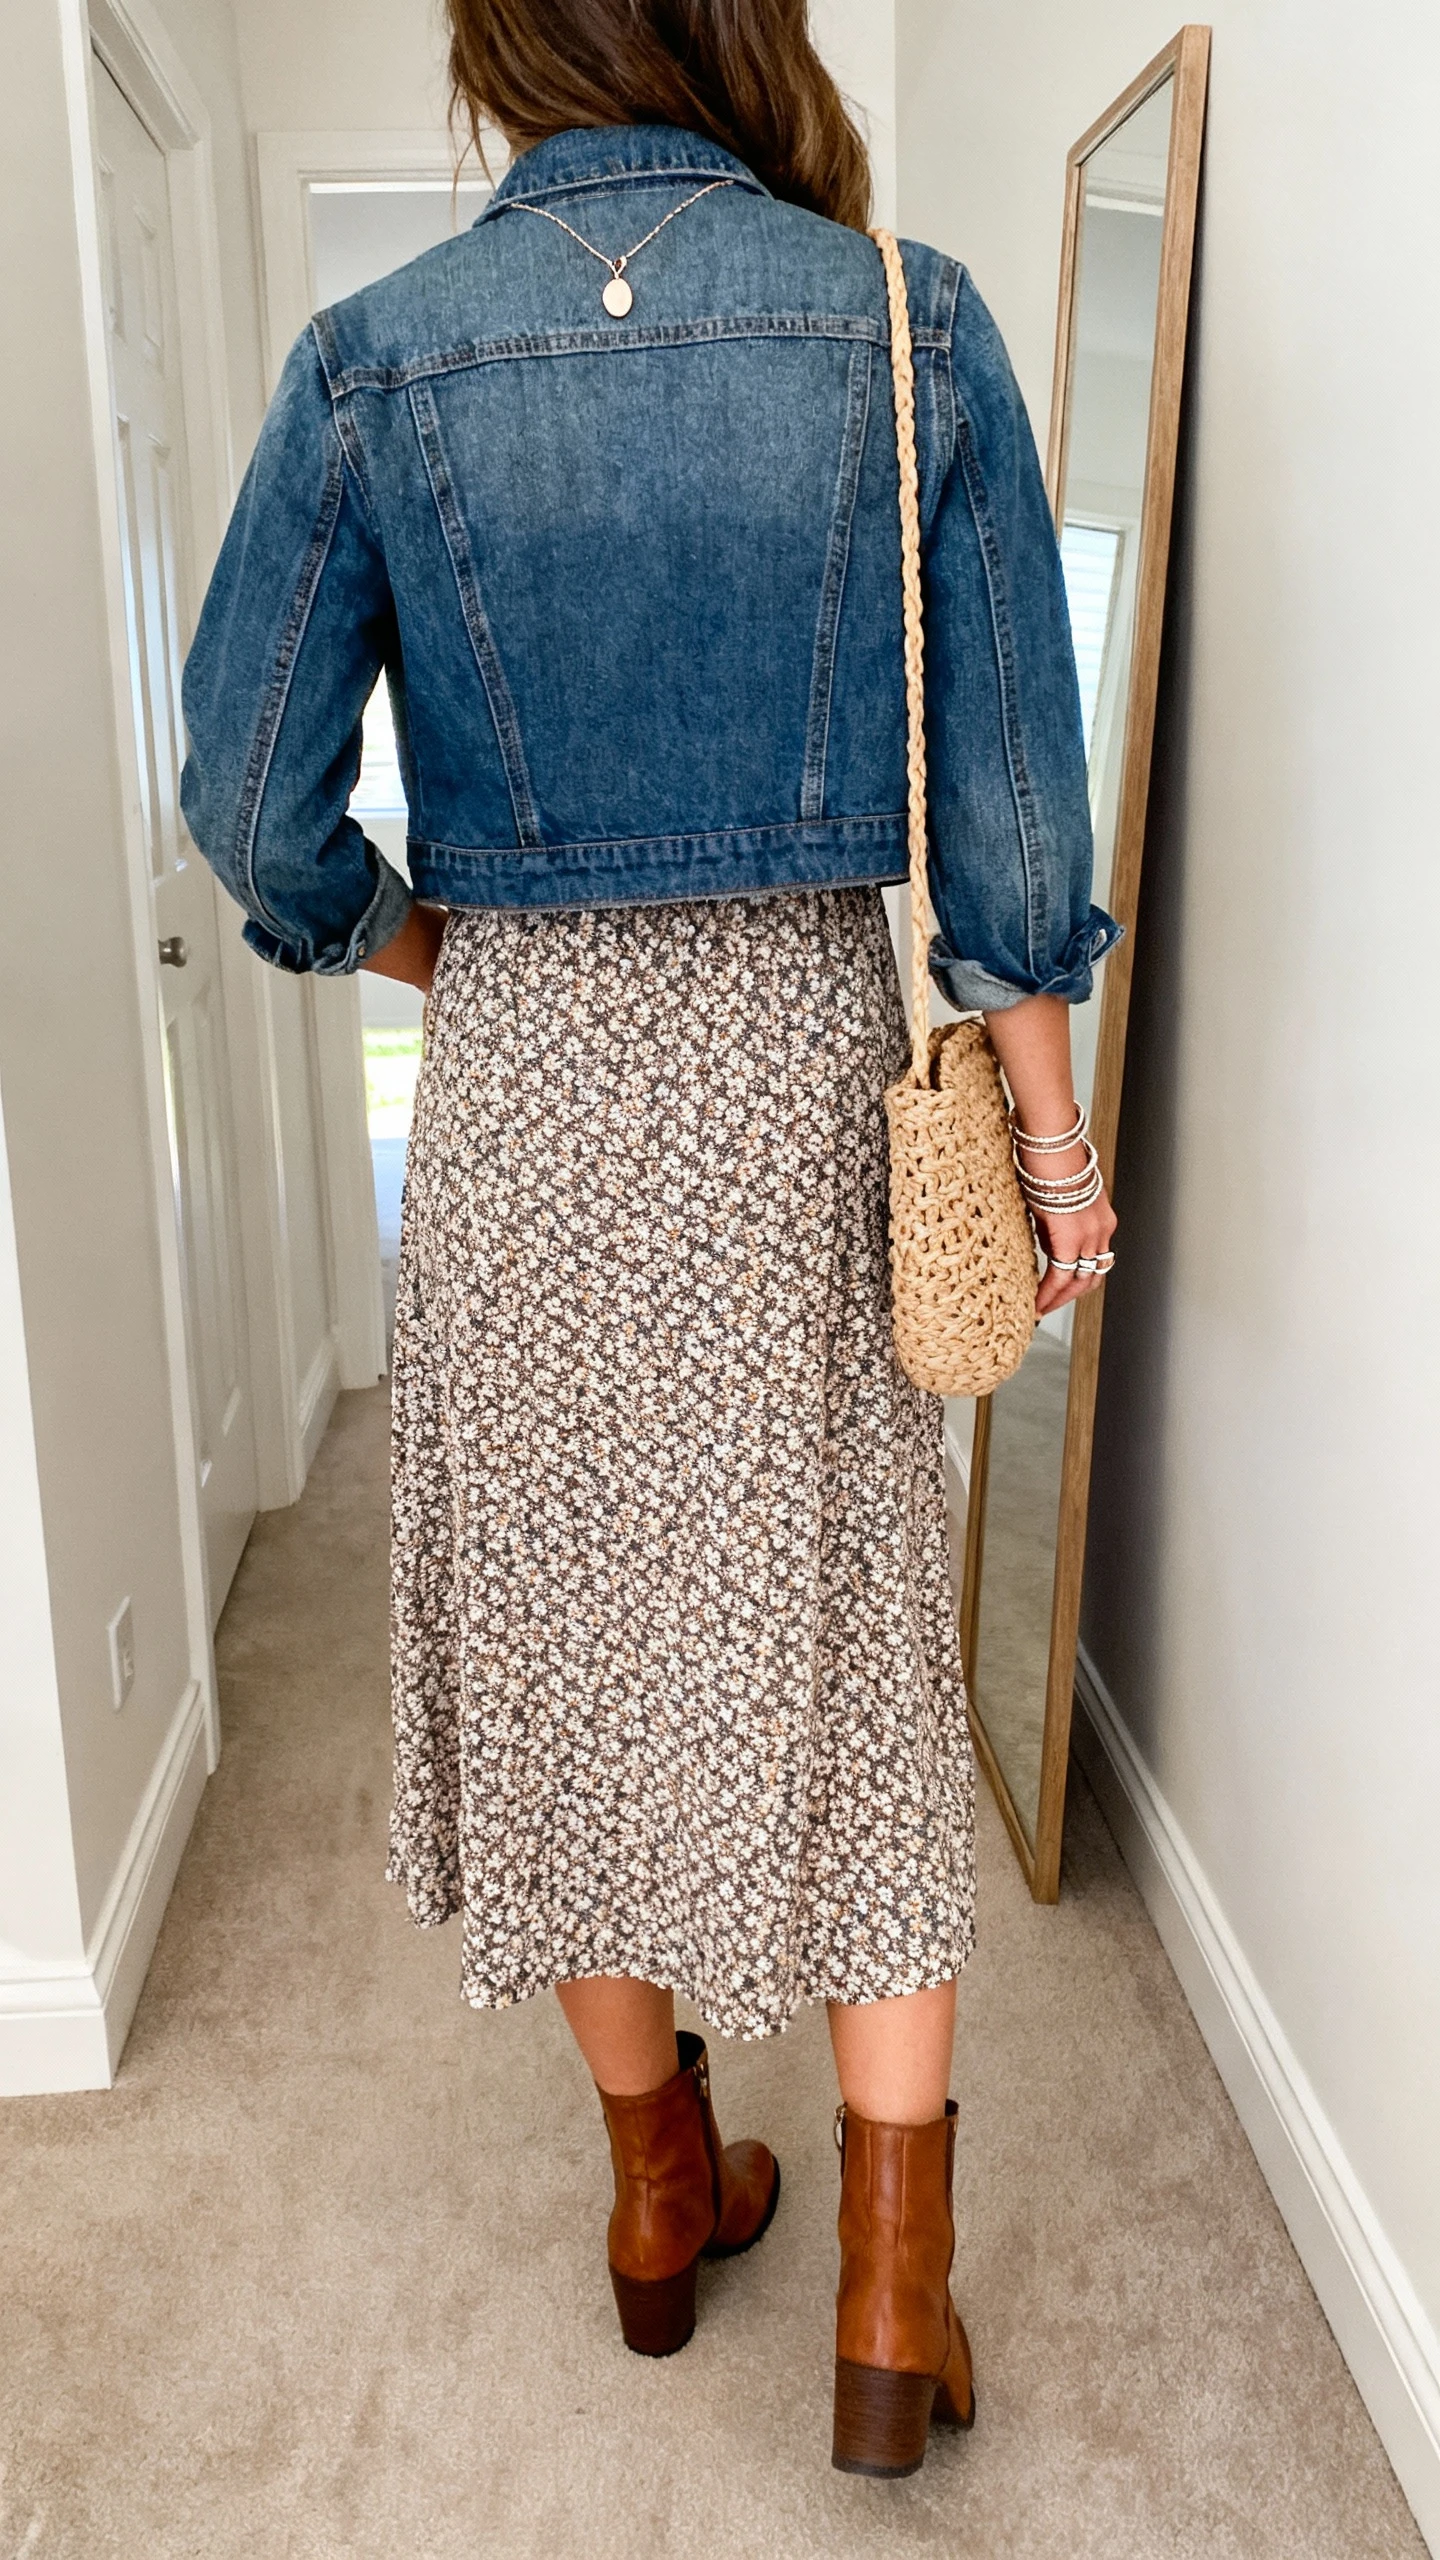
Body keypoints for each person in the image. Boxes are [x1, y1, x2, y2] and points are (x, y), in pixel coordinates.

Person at [181, 0, 1118, 2481]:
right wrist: (1053, 1161)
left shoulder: (375, 360)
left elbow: (252, 809)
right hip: (801, 1087)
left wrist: (428, 945)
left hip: (521, 1103)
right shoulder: (903, 322)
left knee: (564, 1644)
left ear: (505, 43)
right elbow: (1016, 834)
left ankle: (658, 2190)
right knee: (858, 1655)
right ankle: (895, 2296)